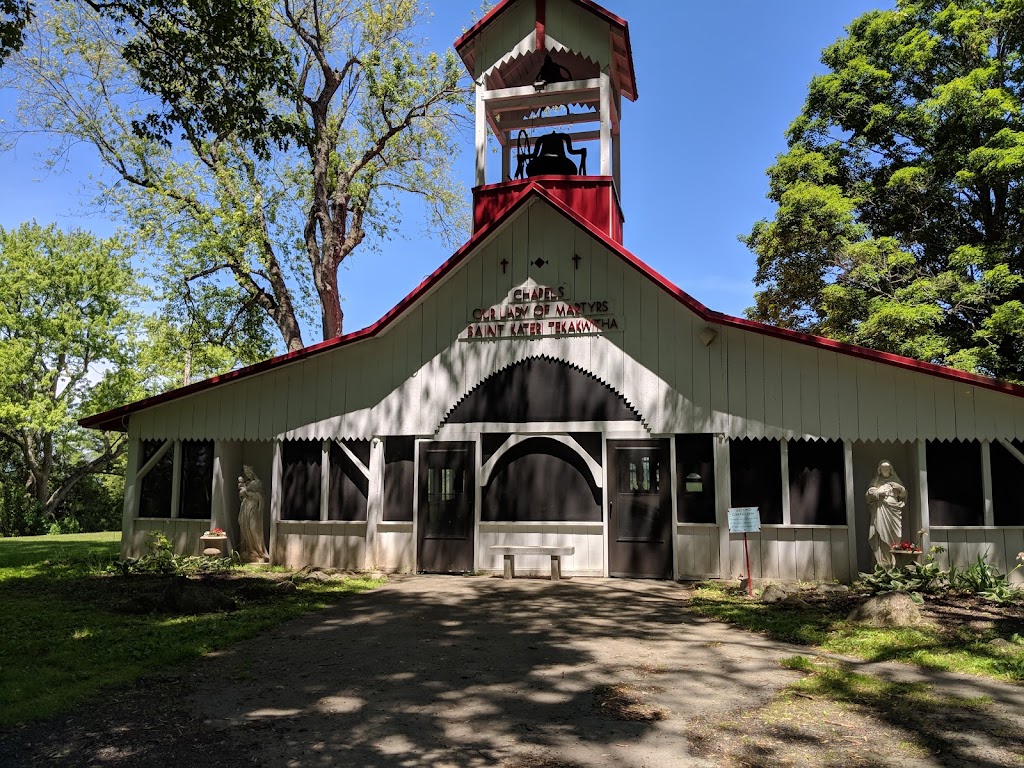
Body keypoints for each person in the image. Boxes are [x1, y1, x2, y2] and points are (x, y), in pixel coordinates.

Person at [866, 460, 907, 567]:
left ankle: (894, 563)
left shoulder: (896, 479)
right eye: (883, 468)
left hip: (894, 510)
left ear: (891, 469)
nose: (885, 470)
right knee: (882, 533)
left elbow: (903, 495)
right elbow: (868, 495)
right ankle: (883, 562)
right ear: (879, 470)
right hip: (881, 509)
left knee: (895, 534)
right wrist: (878, 493)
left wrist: (900, 488)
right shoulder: (876, 480)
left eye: (887, 468)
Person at [238, 465, 269, 563]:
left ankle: (258, 551)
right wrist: (242, 494)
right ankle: (248, 550)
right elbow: (242, 497)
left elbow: (260, 496)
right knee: (244, 528)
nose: (247, 475)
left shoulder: (258, 483)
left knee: (253, 528)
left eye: (248, 473)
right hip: (245, 507)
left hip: (254, 508)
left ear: (252, 473)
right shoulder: (246, 483)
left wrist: (247, 492)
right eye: (246, 473)